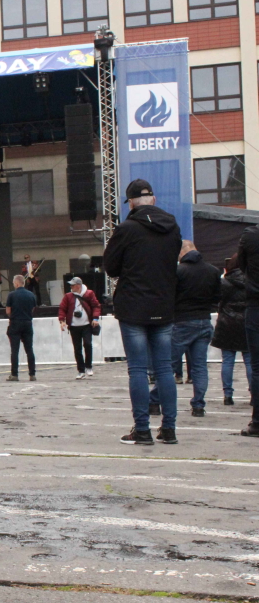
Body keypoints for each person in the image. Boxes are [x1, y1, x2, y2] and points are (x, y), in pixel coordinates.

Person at [104, 179, 182, 445]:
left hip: (134, 306)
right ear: (154, 199)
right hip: (163, 304)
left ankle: (142, 429)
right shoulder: (172, 227)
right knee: (164, 369)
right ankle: (169, 429)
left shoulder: (127, 229)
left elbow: (111, 267)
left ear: (132, 203)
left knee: (137, 369)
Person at [170, 240, 221, 417]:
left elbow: (170, 296)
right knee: (199, 367)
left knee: (167, 365)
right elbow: (217, 296)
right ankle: (198, 405)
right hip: (204, 320)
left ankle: (155, 400)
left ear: (183, 252)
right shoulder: (213, 271)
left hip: (182, 321)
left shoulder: (178, 271)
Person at [212, 254, 251, 406]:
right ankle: (254, 394)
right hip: (247, 322)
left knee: (227, 361)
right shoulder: (252, 281)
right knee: (249, 361)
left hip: (227, 322)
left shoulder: (224, 282)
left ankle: (227, 394)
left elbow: (218, 301)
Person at [237, 223, 259, 437]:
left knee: (257, 366)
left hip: (256, 303)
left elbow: (242, 265)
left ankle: (258, 421)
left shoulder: (251, 235)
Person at [58, 276, 101, 379]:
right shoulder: (68, 296)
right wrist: (62, 320)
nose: (71, 287)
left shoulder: (89, 294)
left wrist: (95, 318)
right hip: (74, 326)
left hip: (86, 325)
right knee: (77, 348)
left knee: (88, 344)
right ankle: (81, 370)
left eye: (72, 285)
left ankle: (89, 366)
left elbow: (96, 306)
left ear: (78, 286)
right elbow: (62, 308)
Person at [5, 274, 37, 381]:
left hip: (15, 323)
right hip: (27, 323)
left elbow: (8, 311)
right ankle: (32, 374)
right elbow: (33, 309)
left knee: (15, 350)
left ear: (17, 283)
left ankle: (14, 374)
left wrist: (13, 316)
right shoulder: (31, 295)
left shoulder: (12, 295)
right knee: (29, 349)